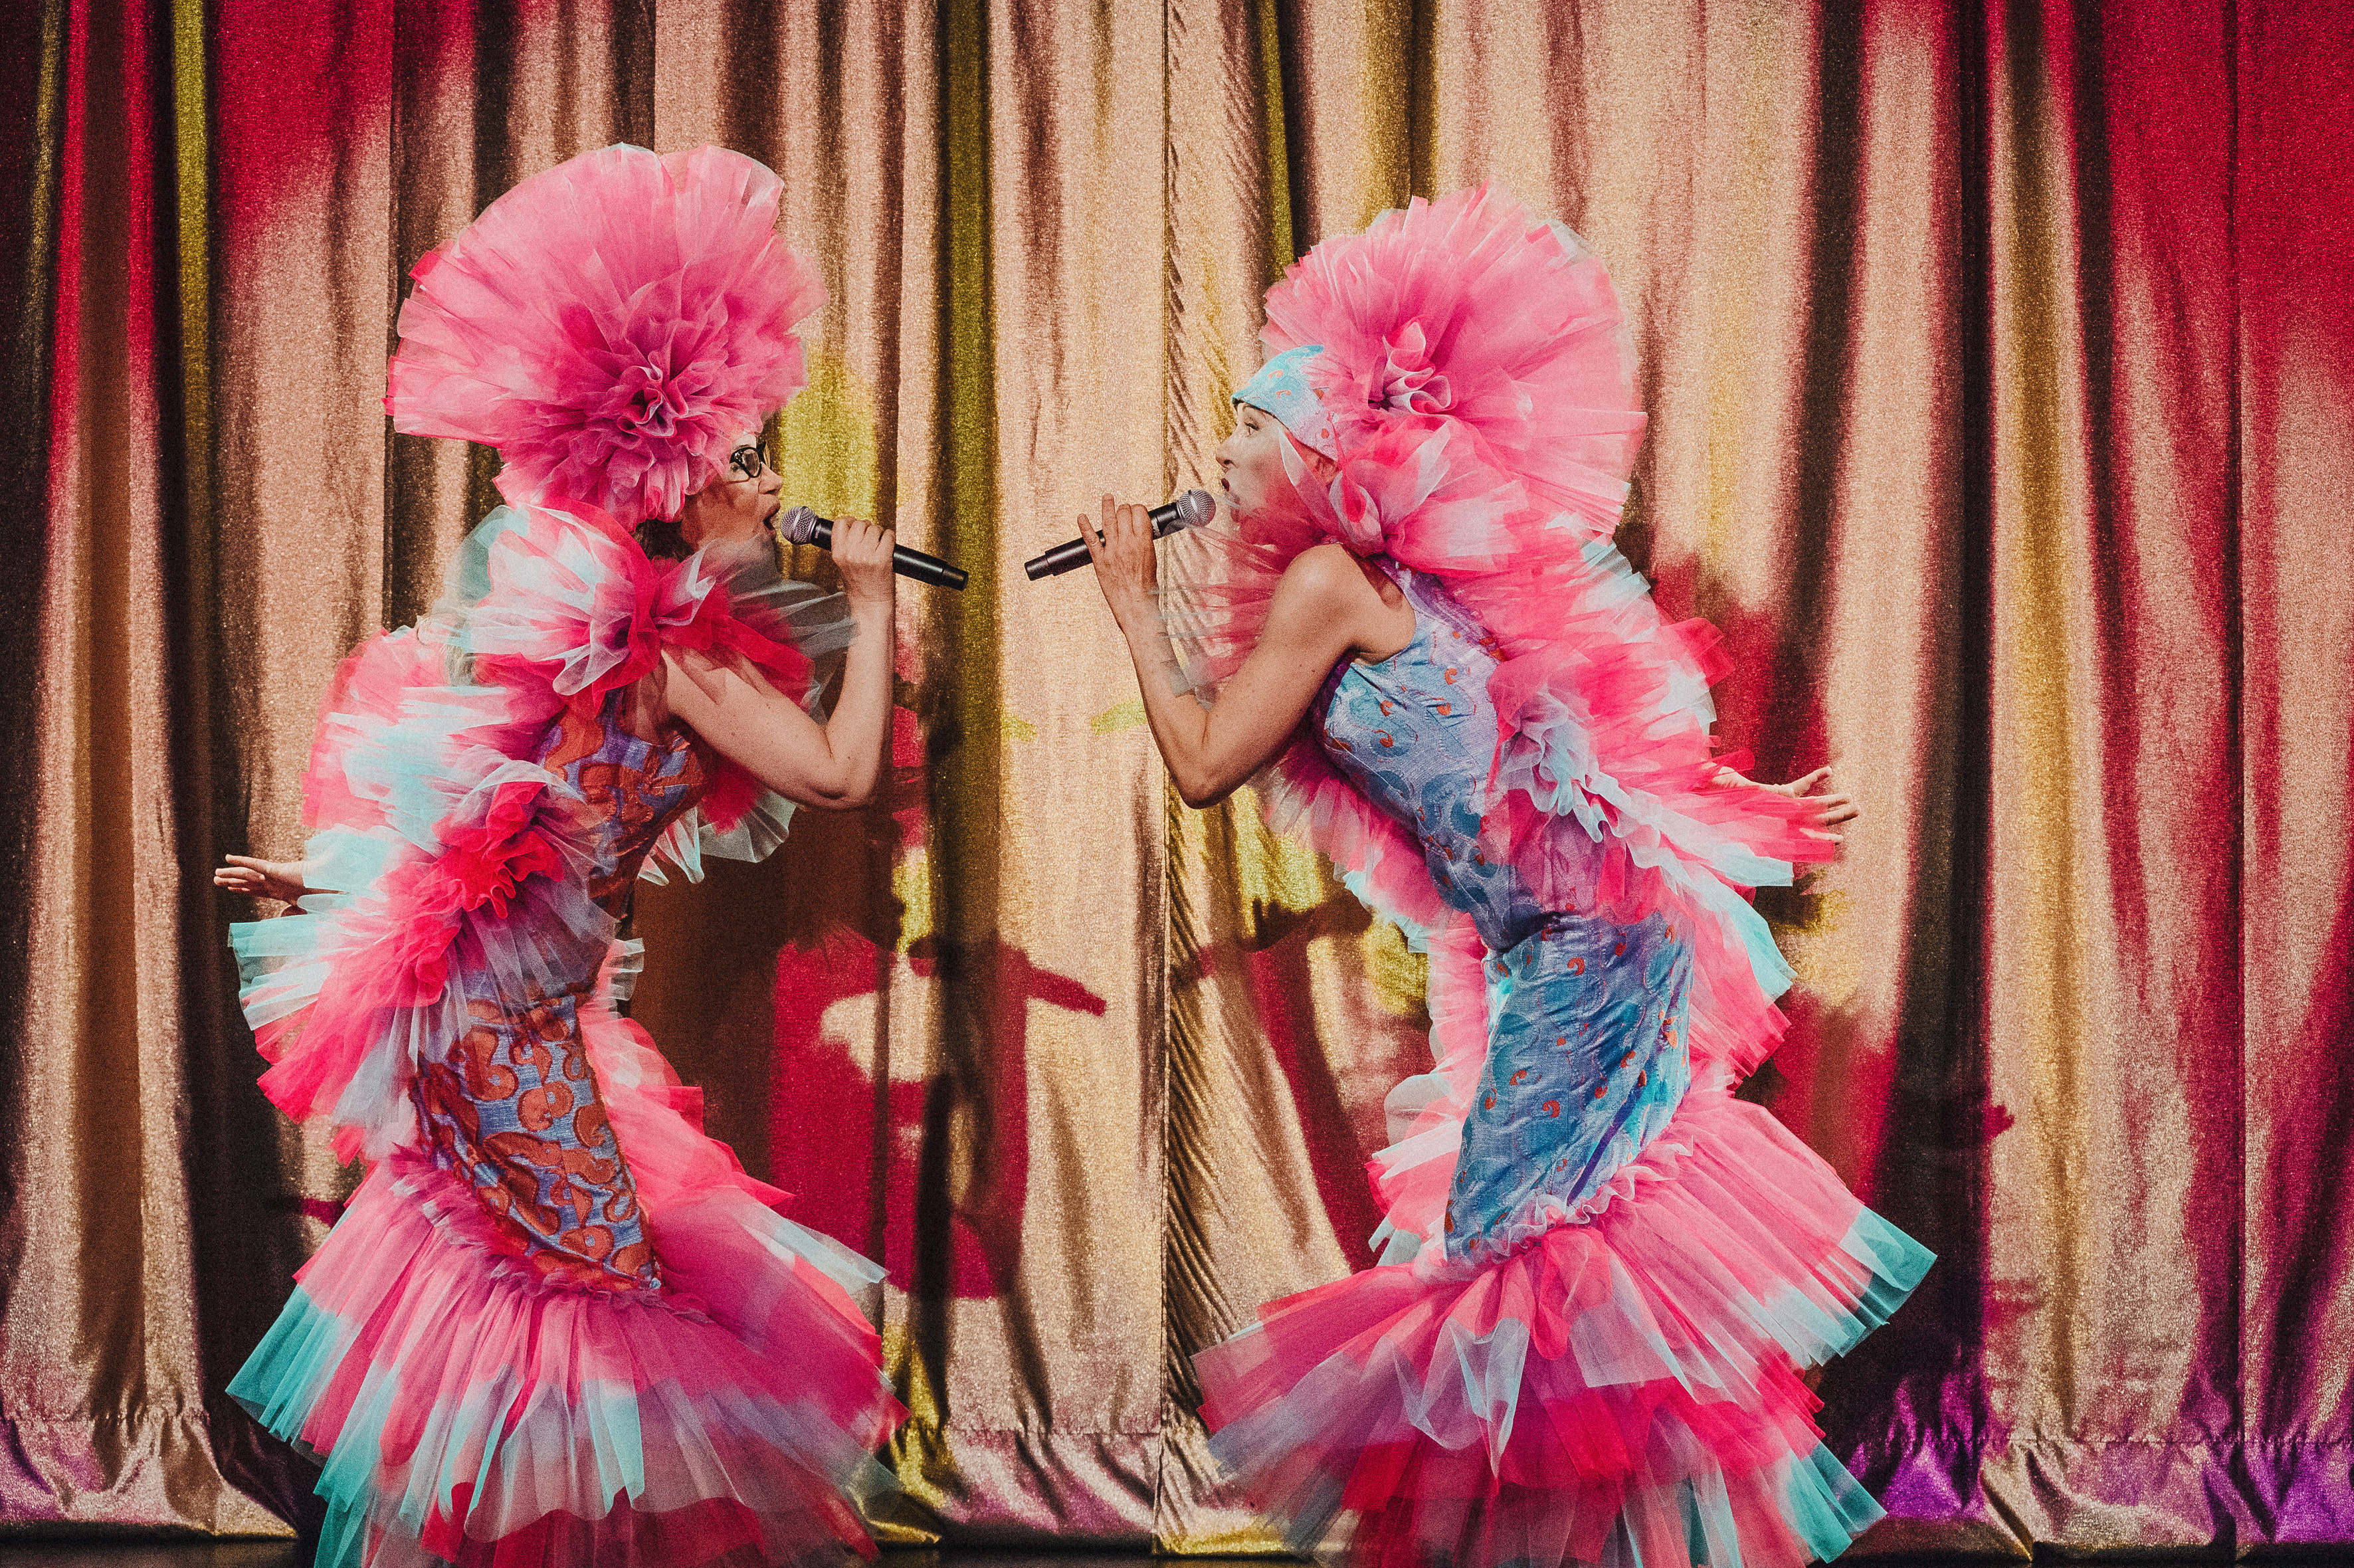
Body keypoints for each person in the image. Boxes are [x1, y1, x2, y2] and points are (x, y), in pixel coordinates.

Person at [1078, 183, 1932, 1568]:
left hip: (1595, 951)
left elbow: (1205, 764)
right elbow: (1551, 757)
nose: (1222, 455)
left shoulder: (1333, 586)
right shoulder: (1385, 585)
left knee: (1515, 1257)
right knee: (1546, 1261)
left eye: (1247, 429)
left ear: (1314, 450)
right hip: (1571, 947)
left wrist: (1130, 600)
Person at [213, 144, 905, 1568]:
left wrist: (314, 884)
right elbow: (837, 774)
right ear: (679, 474)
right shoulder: (652, 647)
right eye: (742, 458)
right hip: (500, 1030)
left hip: (516, 1019)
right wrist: (871, 598)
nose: (767, 477)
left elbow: (489, 824)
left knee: (557, 1303)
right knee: (597, 1307)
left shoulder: (627, 632)